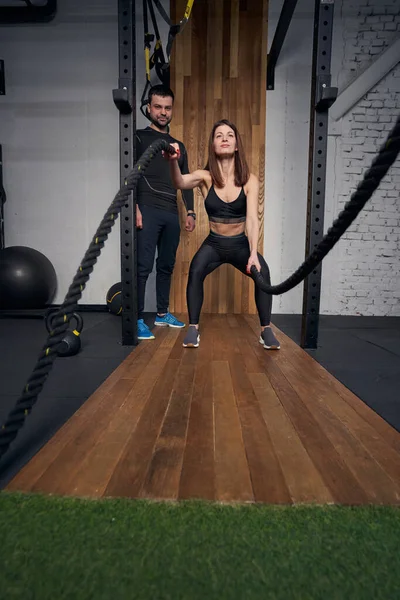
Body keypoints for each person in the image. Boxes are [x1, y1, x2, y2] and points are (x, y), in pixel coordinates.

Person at [164, 118, 280, 350]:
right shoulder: (205, 178)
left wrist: (253, 254)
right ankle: (193, 328)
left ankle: (266, 330)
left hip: (240, 245)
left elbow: (252, 218)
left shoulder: (249, 180)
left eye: (229, 135)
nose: (224, 138)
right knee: (195, 271)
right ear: (213, 145)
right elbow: (179, 182)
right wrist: (174, 162)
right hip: (214, 244)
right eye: (219, 135)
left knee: (263, 274)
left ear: (236, 145)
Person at [135, 84, 196, 340]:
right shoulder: (136, 138)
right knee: (142, 267)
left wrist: (190, 211)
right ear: (148, 108)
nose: (162, 112)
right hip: (146, 209)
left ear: (172, 111)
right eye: (158, 107)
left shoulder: (177, 145)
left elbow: (185, 179)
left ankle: (161, 314)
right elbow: (128, 176)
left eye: (167, 108)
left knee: (166, 266)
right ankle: (136, 318)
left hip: (171, 212)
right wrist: (134, 208)